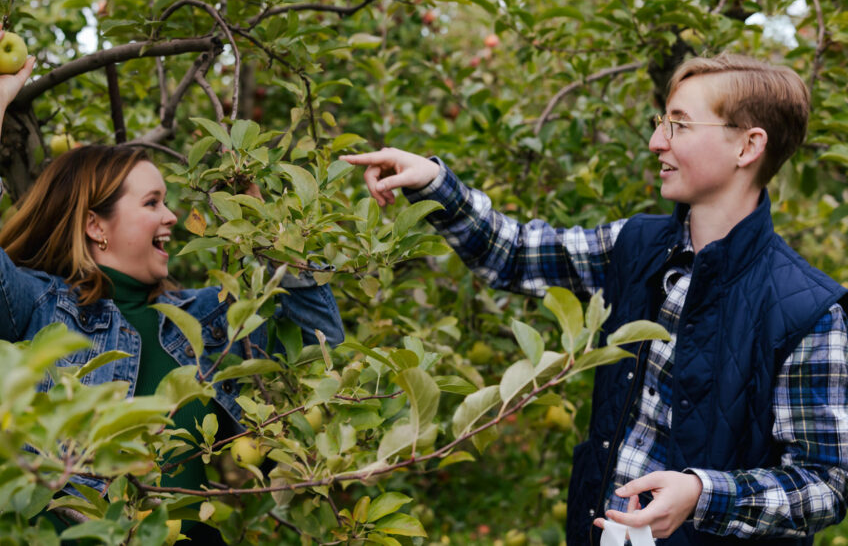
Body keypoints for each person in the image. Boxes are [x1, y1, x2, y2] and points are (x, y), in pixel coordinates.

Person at [342, 54, 848, 546]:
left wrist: (702, 494)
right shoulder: (635, 245)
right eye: (660, 122)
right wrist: (435, 183)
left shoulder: (808, 311)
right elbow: (517, 254)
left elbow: (826, 484)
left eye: (679, 125)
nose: (655, 142)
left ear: (748, 146)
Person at [0, 23, 343, 542]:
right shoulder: (41, 308)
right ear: (95, 225)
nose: (171, 216)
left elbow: (321, 343)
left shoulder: (205, 318)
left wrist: (268, 228)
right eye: (152, 203)